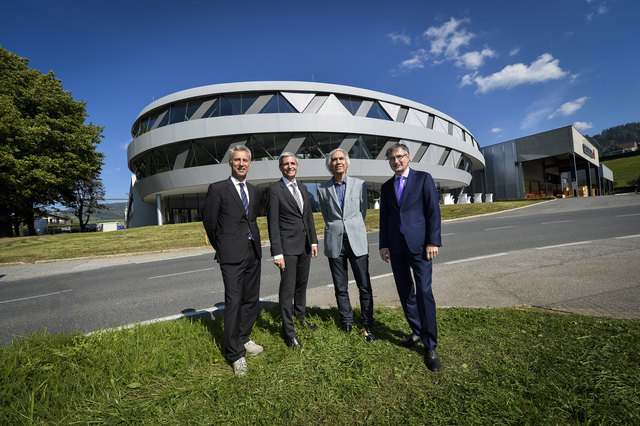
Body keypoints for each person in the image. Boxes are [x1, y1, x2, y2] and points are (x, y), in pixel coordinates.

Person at [379, 143, 442, 372]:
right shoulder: (386, 187)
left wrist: (433, 241)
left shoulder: (423, 179)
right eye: (392, 159)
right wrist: (384, 245)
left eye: (400, 157)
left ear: (408, 157)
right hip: (396, 248)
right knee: (405, 292)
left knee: (424, 292)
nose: (396, 161)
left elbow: (433, 211)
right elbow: (384, 219)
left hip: (420, 247)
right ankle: (416, 331)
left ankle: (430, 344)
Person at [202, 145, 263, 377]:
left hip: (252, 251)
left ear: (249, 163)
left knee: (250, 300)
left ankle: (244, 337)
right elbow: (209, 222)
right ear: (230, 163)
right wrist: (223, 246)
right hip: (231, 255)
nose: (241, 164)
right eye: (237, 160)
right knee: (234, 301)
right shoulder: (218, 189)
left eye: (245, 160)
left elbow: (252, 219)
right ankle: (235, 354)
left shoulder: (255, 191)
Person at [317, 148, 375, 342]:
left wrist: (351, 226)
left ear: (347, 162)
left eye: (341, 158)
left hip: (356, 240)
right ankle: (347, 322)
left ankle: (367, 323)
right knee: (340, 287)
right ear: (330, 165)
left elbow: (362, 211)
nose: (338, 162)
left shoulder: (360, 185)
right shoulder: (322, 189)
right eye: (334, 160)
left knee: (364, 285)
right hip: (335, 241)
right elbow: (327, 215)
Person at [267, 152, 319, 349]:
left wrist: (313, 241)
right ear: (280, 168)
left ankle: (301, 317)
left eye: (292, 163)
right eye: (286, 164)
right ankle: (288, 332)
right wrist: (277, 253)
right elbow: (272, 223)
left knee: (301, 285)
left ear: (297, 166)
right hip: (287, 249)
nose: (289, 166)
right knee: (287, 289)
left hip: (305, 247)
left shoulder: (303, 187)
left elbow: (308, 217)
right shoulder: (274, 190)